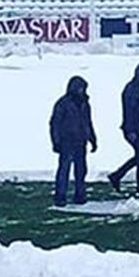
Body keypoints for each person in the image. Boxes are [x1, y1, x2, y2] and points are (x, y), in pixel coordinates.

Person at [49, 76, 98, 207]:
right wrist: (56, 141)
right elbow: (55, 123)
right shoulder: (63, 104)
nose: (82, 91)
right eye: (80, 88)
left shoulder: (84, 104)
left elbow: (88, 122)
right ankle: (60, 196)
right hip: (67, 142)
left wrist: (92, 138)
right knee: (64, 170)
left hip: (81, 142)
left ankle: (80, 195)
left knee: (81, 170)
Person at [108, 63, 139, 195]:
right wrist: (131, 130)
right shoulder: (132, 90)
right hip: (133, 129)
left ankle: (120, 176)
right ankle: (138, 183)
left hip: (138, 128)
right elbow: (130, 111)